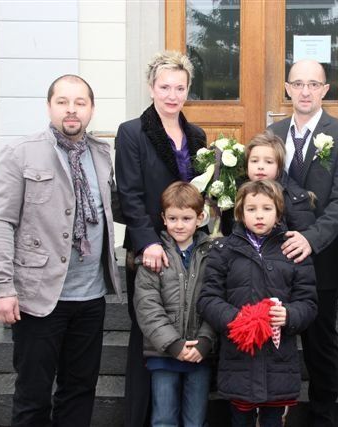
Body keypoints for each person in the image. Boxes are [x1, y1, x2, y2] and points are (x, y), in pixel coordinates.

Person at [0, 74, 122, 426]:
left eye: (80, 102)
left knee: (80, 390)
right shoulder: (21, 152)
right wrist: (1, 287)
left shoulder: (101, 154)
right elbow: (0, 221)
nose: (71, 110)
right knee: (33, 395)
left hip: (90, 296)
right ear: (49, 107)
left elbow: (111, 208)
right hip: (39, 296)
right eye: (63, 102)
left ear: (91, 109)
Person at [115, 51, 207, 427]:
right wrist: (147, 242)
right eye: (165, 87)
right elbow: (129, 193)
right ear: (151, 87)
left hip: (188, 252)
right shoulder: (131, 133)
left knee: (188, 326)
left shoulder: (197, 135)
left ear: (188, 90)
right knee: (148, 337)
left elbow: (201, 194)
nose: (172, 95)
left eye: (180, 88)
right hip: (151, 251)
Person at [267, 59, 338, 426]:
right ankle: (271, 409)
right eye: (297, 83)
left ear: (325, 90)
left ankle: (322, 415)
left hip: (321, 256)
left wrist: (311, 239)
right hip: (276, 255)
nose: (305, 91)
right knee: (275, 336)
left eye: (313, 84)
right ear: (287, 88)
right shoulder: (273, 132)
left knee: (320, 343)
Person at [197, 180, 318, 427]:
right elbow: (208, 299)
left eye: (267, 208)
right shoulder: (224, 250)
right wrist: (236, 320)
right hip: (239, 358)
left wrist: (289, 315)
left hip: (278, 361)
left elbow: (308, 302)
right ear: (240, 213)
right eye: (251, 209)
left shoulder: (292, 250)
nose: (259, 215)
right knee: (240, 419)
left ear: (278, 213)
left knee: (273, 420)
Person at [134, 182, 216, 427]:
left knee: (195, 420)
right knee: (164, 418)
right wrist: (172, 344)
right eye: (172, 218)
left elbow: (216, 301)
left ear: (200, 218)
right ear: (163, 218)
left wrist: (205, 341)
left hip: (199, 353)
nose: (179, 225)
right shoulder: (154, 256)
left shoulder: (212, 255)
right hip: (163, 352)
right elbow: (147, 305)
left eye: (186, 218)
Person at [246, 130, 316, 232]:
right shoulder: (237, 190)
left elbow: (303, 235)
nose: (260, 166)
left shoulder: (295, 199)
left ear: (279, 167)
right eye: (254, 161)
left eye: (268, 162)